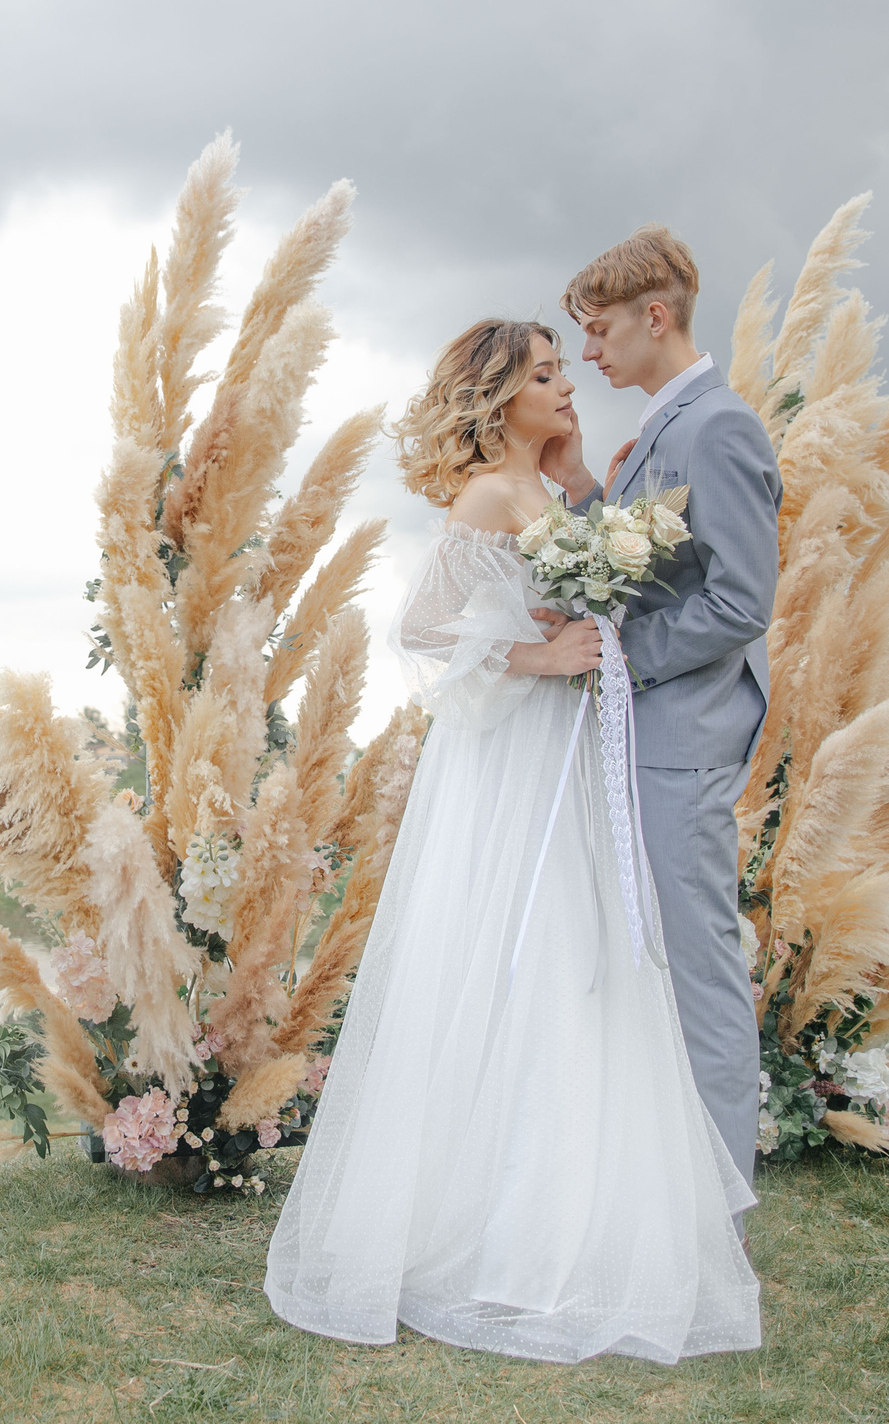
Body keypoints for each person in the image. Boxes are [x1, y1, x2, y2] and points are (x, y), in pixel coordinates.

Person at [263, 318, 759, 1365]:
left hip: (569, 757)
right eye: (544, 373)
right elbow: (422, 633)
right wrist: (541, 660)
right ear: (497, 399)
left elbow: (589, 584)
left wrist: (578, 478)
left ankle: (561, 1210)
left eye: (564, 367)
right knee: (517, 958)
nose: (566, 381)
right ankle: (486, 1226)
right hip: (510, 760)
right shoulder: (488, 495)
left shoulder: (548, 491)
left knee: (579, 960)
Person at [537, 227, 781, 1208]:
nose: (588, 355)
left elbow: (738, 601)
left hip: (680, 744)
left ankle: (719, 1214)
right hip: (644, 739)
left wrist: (613, 660)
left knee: (700, 973)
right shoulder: (667, 430)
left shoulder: (717, 427)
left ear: (655, 315)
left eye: (597, 333)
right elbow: (646, 564)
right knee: (651, 966)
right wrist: (582, 485)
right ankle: (664, 1195)